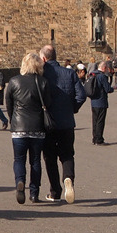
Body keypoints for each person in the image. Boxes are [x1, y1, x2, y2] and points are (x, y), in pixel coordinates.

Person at [41, 44, 85, 204]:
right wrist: (72, 109)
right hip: (67, 122)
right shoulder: (69, 73)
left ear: (43, 58)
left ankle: (55, 191)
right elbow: (81, 95)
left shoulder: (41, 74)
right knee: (67, 154)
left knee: (50, 158)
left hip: (48, 123)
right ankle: (68, 179)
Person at [3, 52, 49, 204]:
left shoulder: (14, 81)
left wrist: (13, 120)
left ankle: (19, 183)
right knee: (35, 161)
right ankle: (34, 193)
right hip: (37, 127)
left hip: (19, 128)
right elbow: (48, 103)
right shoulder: (42, 82)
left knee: (19, 159)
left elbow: (8, 103)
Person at [87, 61, 114, 145]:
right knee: (100, 121)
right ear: (104, 68)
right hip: (101, 101)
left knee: (94, 121)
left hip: (93, 101)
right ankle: (99, 139)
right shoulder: (102, 76)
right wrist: (112, 88)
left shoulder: (92, 74)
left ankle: (94, 138)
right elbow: (108, 89)